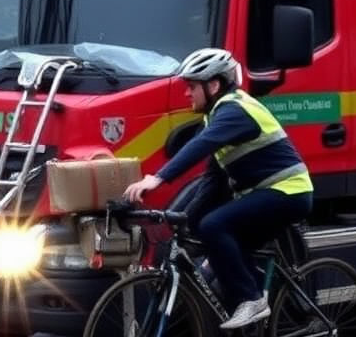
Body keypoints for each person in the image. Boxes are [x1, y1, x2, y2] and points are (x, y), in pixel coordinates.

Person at [124, 47, 313, 330]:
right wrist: (181, 218)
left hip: (289, 193)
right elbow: (213, 179)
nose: (186, 93)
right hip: (267, 195)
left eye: (191, 86)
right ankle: (254, 309)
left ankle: (252, 300)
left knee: (215, 225)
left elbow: (199, 146)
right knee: (208, 230)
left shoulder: (235, 110)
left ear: (213, 85)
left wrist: (158, 178)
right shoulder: (215, 117)